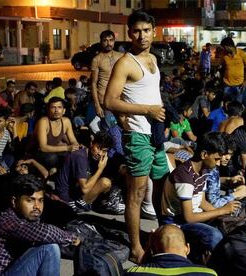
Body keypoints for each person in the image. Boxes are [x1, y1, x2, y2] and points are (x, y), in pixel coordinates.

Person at [104, 10, 169, 263]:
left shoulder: (153, 58)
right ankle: (135, 247)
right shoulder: (125, 62)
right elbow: (110, 100)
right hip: (138, 137)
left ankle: (163, 234)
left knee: (161, 188)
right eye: (136, 31)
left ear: (154, 31)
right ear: (129, 33)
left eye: (146, 30)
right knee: (136, 194)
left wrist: (162, 118)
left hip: (155, 134)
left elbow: (151, 93)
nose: (141, 36)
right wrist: (147, 110)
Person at [0, 174, 80, 275]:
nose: (37, 206)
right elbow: (45, 232)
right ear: (15, 202)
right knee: (49, 248)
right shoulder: (8, 220)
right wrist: (73, 238)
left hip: (11, 270)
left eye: (40, 201)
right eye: (30, 200)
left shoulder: (29, 218)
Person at [160, 132, 241, 261]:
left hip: (193, 216)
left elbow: (202, 202)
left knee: (233, 224)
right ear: (204, 154)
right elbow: (189, 217)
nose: (219, 163)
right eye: (216, 159)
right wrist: (222, 210)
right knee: (214, 236)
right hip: (177, 223)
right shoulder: (185, 176)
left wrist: (222, 214)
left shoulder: (202, 171)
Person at [55, 131, 124, 214]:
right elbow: (85, 189)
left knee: (109, 183)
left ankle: (91, 204)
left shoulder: (94, 157)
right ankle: (78, 206)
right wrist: (100, 169)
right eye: (98, 148)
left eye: (104, 151)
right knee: (105, 182)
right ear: (91, 143)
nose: (100, 153)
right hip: (67, 199)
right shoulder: (80, 157)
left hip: (77, 192)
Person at [126, 224, 217, 275]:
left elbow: (142, 269)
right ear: (188, 248)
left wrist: (148, 249)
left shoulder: (133, 272)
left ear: (152, 249)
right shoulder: (209, 273)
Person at [35, 97, 79, 170]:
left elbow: (73, 140)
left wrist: (75, 146)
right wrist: (67, 148)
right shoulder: (43, 122)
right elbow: (43, 147)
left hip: (55, 151)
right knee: (52, 158)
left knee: (76, 154)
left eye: (59, 107)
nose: (56, 110)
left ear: (64, 110)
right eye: (53, 107)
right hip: (39, 153)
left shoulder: (66, 121)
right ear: (48, 110)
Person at [91, 30, 124, 118]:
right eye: (105, 40)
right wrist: (97, 105)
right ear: (101, 42)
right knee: (110, 127)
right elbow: (93, 83)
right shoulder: (97, 59)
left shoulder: (121, 56)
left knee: (124, 126)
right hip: (104, 100)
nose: (108, 43)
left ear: (114, 41)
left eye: (111, 40)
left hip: (120, 98)